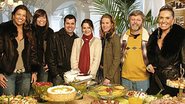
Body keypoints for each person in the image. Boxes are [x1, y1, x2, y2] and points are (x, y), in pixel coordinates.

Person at [0, 5, 40, 96]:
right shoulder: (4, 29)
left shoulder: (30, 30)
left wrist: (34, 71)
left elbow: (34, 52)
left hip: (25, 74)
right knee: (8, 101)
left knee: (23, 101)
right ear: (13, 15)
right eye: (18, 14)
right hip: (8, 74)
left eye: (23, 15)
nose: (21, 17)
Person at [146, 5, 185, 96]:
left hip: (173, 83)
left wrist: (182, 88)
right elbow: (152, 58)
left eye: (167, 18)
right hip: (156, 82)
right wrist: (149, 65)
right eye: (161, 17)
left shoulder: (181, 36)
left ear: (173, 20)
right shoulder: (153, 36)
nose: (163, 21)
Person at [120, 10, 150, 91]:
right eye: (133, 19)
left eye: (138, 20)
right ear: (129, 21)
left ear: (142, 22)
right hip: (125, 77)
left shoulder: (148, 36)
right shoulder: (124, 36)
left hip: (143, 78)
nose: (135, 22)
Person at [47, 14, 78, 85]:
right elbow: (50, 57)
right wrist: (56, 74)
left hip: (72, 75)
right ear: (64, 24)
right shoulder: (55, 36)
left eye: (72, 23)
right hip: (59, 76)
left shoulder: (77, 39)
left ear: (75, 25)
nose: (70, 26)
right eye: (67, 23)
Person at [98, 14, 121, 84]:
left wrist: (108, 77)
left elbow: (117, 59)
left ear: (112, 24)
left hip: (111, 75)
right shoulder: (103, 38)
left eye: (107, 23)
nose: (104, 25)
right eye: (103, 23)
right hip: (101, 72)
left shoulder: (115, 38)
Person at [32, 9, 54, 82]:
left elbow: (52, 50)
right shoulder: (30, 30)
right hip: (31, 65)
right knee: (31, 90)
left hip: (44, 66)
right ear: (35, 18)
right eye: (39, 17)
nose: (42, 20)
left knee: (43, 88)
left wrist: (49, 63)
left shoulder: (50, 32)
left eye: (44, 17)